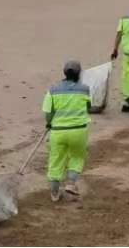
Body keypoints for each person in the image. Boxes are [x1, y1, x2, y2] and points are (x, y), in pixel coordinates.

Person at [42, 60, 91, 202]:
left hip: (58, 131)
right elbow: (88, 108)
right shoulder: (84, 89)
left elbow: (48, 112)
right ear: (79, 73)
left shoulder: (53, 90)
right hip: (79, 131)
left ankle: (54, 193)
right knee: (77, 157)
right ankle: (71, 183)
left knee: (56, 161)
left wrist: (49, 123)